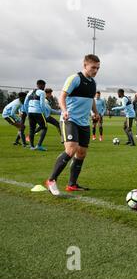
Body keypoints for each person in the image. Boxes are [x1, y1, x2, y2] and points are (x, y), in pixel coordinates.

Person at [45, 54, 100, 195]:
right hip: (70, 119)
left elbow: (91, 99)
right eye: (93, 67)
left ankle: (72, 184)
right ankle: (51, 180)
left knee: (81, 153)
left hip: (84, 123)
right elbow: (62, 96)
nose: (95, 70)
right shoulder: (75, 79)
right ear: (85, 65)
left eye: (98, 68)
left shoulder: (93, 83)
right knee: (71, 149)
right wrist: (63, 111)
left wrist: (95, 112)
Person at [23, 79, 48, 151]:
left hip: (30, 112)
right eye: (44, 86)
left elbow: (25, 103)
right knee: (44, 127)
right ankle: (39, 145)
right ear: (42, 85)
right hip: (38, 112)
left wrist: (27, 112)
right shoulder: (42, 92)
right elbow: (42, 104)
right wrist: (44, 113)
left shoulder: (30, 92)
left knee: (32, 129)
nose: (44, 87)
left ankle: (31, 146)